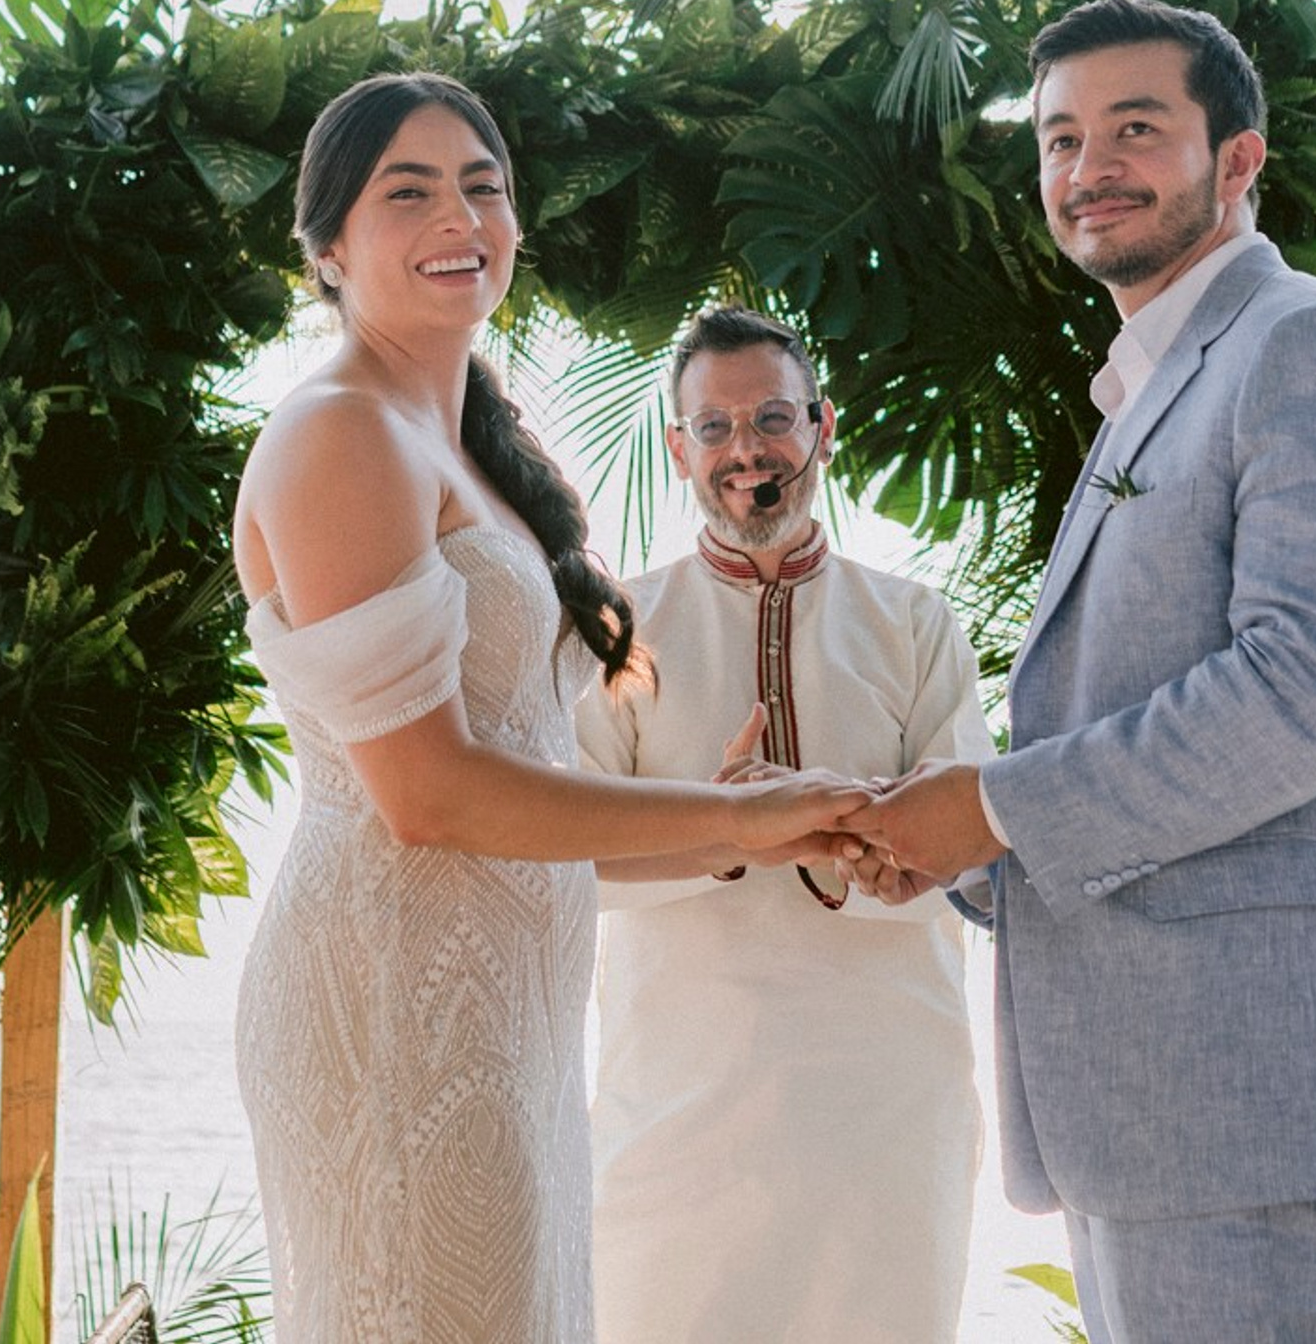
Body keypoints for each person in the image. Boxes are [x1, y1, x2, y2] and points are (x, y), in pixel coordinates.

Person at [841, 0, 1316, 1343]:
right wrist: (941, 842)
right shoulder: (1160, 381)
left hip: (1253, 1103)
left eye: (1136, 128)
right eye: (1061, 139)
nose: (1090, 167)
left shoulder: (1305, 348)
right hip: (1158, 1106)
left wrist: (993, 809)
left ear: (1237, 160)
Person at [231, 72, 868, 1344]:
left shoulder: (462, 444)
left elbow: (523, 796)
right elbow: (428, 796)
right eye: (408, 191)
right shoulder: (339, 435)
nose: (459, 216)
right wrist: (730, 818)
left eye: (484, 187)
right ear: (326, 247)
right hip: (394, 1004)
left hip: (507, 1018)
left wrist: (756, 829)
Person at [576, 305, 993, 1343]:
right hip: (672, 1117)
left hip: (885, 1116)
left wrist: (832, 824)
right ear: (678, 450)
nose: (746, 450)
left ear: (822, 427)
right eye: (713, 427)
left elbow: (973, 844)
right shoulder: (616, 631)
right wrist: (731, 830)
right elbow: (568, 860)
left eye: (771, 418)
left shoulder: (913, 623)